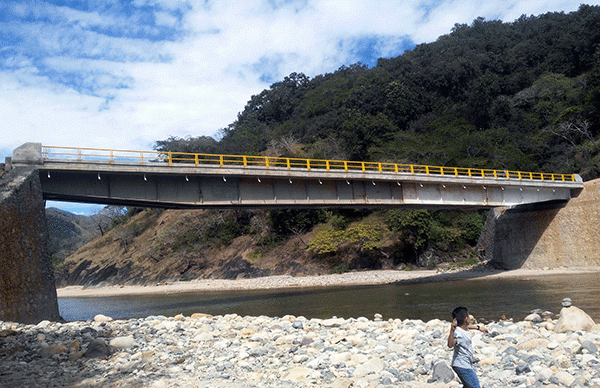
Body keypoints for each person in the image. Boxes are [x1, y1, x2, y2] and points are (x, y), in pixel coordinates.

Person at [447, 306, 488, 388]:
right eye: (468, 316)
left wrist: (478, 328)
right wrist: (452, 330)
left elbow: (467, 327)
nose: (470, 317)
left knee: (468, 385)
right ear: (466, 319)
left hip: (464, 364)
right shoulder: (458, 332)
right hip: (461, 365)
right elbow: (450, 344)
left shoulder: (463, 327)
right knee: (475, 385)